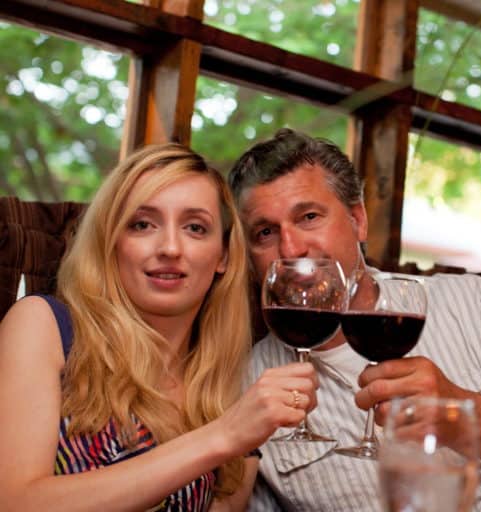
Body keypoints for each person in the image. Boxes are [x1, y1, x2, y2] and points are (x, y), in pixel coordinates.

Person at [229, 129, 481, 512]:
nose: (292, 249)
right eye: (265, 232)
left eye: (310, 217)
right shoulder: (246, 389)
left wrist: (461, 410)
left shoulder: (472, 305)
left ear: (358, 220)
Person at [0, 143, 319, 511]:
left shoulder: (226, 389)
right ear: (110, 242)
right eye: (142, 224)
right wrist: (223, 436)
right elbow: (13, 501)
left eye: (195, 228)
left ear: (223, 256)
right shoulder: (45, 325)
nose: (169, 247)